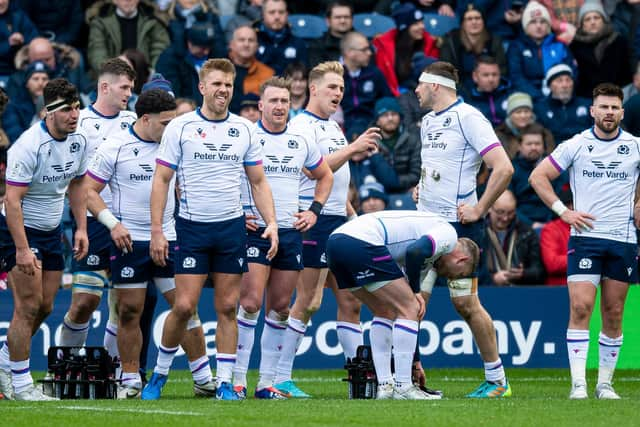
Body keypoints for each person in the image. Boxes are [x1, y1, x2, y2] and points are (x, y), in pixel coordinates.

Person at [141, 58, 278, 401]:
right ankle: (158, 376)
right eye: (217, 84)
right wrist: (158, 229)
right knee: (184, 306)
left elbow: (258, 182)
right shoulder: (181, 127)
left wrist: (271, 222)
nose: (223, 90)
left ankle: (226, 383)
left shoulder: (245, 129)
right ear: (202, 87)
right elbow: (161, 179)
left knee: (228, 307)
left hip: (231, 228)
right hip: (191, 229)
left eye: (229, 85)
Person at [84, 88, 215, 399]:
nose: (171, 128)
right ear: (145, 118)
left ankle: (203, 377)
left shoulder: (176, 144)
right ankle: (130, 378)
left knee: (185, 307)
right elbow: (87, 191)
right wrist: (112, 224)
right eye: (165, 123)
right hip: (129, 241)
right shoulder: (114, 147)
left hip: (168, 238)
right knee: (129, 311)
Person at [273, 61, 380, 398]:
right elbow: (312, 173)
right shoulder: (302, 126)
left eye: (342, 89)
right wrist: (353, 148)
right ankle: (280, 377)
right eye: (333, 87)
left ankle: (357, 377)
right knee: (309, 299)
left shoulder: (333, 127)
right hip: (312, 218)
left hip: (339, 220)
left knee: (350, 299)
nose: (339, 94)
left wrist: (353, 216)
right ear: (313, 89)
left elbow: (339, 180)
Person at [529, 82, 639, 400]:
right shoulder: (576, 145)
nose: (609, 112)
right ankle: (578, 385)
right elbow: (538, 176)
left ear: (621, 111)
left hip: (623, 239)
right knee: (580, 307)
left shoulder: (635, 146)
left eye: (614, 107)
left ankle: (605, 384)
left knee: (614, 312)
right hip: (585, 239)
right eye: (603, 107)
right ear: (592, 110)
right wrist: (563, 211)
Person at [414, 61, 513, 397]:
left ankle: (497, 380)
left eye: (420, 84)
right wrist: (421, 186)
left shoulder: (468, 117)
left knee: (466, 304)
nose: (415, 90)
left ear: (435, 86)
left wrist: (481, 208)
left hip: (458, 227)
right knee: (411, 303)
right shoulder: (427, 122)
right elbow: (438, 167)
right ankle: (409, 377)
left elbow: (503, 167)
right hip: (426, 223)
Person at [232, 77, 333, 400]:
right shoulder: (248, 136)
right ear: (260, 105)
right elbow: (224, 176)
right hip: (256, 231)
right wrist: (237, 211)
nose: (279, 107)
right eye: (273, 101)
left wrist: (314, 210)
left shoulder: (300, 139)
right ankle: (236, 380)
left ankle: (266, 383)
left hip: (291, 232)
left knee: (279, 307)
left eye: (284, 102)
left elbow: (324, 175)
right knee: (249, 302)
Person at [326, 210, 479, 399]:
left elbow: (402, 313)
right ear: (461, 259)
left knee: (385, 311)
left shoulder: (426, 260)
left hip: (335, 245)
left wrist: (415, 362)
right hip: (361, 242)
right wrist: (415, 292)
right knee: (411, 307)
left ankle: (385, 386)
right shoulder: (448, 233)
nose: (452, 277)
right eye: (461, 273)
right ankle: (403, 387)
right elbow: (415, 252)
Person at [0, 78, 89, 401]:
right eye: (67, 109)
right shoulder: (26, 146)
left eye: (77, 107)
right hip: (19, 228)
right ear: (47, 112)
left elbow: (78, 185)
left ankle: (4, 361)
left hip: (52, 231)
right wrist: (22, 250)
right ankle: (22, 386)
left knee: (46, 305)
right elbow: (12, 202)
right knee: (27, 306)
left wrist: (80, 228)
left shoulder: (80, 140)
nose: (74, 114)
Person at [58, 58, 137, 367]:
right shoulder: (80, 124)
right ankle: (66, 364)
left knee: (124, 304)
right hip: (92, 223)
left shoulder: (134, 121)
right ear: (104, 87)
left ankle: (113, 368)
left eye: (131, 87)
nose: (129, 93)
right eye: (124, 87)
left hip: (130, 224)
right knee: (84, 301)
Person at [506, 1, 576, 102]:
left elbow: (572, 72)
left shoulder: (559, 45)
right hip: (529, 98)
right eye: (533, 22)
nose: (539, 26)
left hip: (558, 97)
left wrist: (554, 94)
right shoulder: (516, 47)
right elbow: (516, 77)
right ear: (525, 26)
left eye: (543, 22)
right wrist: (538, 97)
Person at [480, 190, 545, 286]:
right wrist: (492, 278)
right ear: (489, 208)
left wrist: (523, 274)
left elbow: (539, 272)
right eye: (500, 212)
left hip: (519, 292)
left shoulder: (527, 233)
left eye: (510, 212)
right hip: (486, 292)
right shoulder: (478, 233)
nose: (505, 218)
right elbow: (468, 271)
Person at [373, 2, 439, 96]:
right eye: (416, 24)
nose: (422, 26)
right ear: (404, 27)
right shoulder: (385, 47)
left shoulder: (429, 43)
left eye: (421, 22)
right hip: (396, 97)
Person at [86, 0, 170, 74]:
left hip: (145, 77)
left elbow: (160, 51)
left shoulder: (153, 21)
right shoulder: (100, 23)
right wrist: (114, 71)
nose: (128, 0)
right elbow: (97, 54)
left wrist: (151, 72)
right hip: (111, 77)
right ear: (114, 0)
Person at [570, 1, 632, 98]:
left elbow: (627, 74)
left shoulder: (618, 41)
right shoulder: (575, 47)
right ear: (582, 25)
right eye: (587, 19)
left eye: (596, 17)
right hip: (588, 99)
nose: (592, 22)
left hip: (619, 95)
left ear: (603, 20)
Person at [340, 31, 393, 141]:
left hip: (372, 125)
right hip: (341, 127)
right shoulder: (335, 75)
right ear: (349, 53)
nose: (369, 53)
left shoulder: (374, 74)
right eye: (364, 50)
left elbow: (387, 100)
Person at [439, 4, 507, 88]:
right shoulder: (451, 41)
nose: (474, 22)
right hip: (460, 90)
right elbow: (446, 72)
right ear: (462, 23)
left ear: (483, 21)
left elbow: (502, 69)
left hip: (489, 88)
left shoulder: (494, 40)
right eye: (469, 19)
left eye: (478, 18)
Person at [155, 21, 219, 103]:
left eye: (209, 47)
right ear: (189, 43)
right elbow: (170, 92)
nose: (206, 52)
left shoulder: (216, 54)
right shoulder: (170, 59)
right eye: (202, 48)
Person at [534, 64, 593, 144]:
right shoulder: (540, 108)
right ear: (550, 85)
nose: (565, 85)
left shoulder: (587, 104)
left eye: (568, 80)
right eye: (559, 81)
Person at [227, 26, 274, 114]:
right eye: (241, 40)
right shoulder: (220, 71)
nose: (246, 44)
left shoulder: (268, 74)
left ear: (257, 46)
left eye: (251, 40)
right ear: (231, 45)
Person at [254, 0, 308, 75]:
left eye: (281, 12)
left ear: (287, 14)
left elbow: (303, 75)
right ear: (263, 15)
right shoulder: (253, 41)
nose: (277, 17)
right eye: (272, 12)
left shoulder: (298, 43)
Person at [495, 92, 555, 159]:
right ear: (510, 115)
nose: (523, 116)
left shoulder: (542, 132)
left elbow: (551, 156)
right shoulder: (499, 134)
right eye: (518, 112)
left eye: (526, 111)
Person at [2, 61, 50, 143]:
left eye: (44, 79)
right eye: (35, 79)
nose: (40, 83)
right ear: (27, 83)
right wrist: (41, 124)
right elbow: (16, 138)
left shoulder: (56, 104)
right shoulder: (13, 107)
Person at [463, 55, 511, 127]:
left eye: (494, 75)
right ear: (475, 77)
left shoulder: (511, 94)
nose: (491, 79)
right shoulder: (466, 100)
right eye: (486, 75)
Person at [539, 188, 572, 285]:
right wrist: (582, 258)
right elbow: (552, 263)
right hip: (559, 289)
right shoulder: (551, 229)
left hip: (590, 287)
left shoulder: (593, 227)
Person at [308, 1, 353, 66]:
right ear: (328, 21)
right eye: (338, 17)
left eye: (346, 17)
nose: (343, 21)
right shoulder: (316, 46)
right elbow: (317, 73)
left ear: (352, 20)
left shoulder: (363, 44)